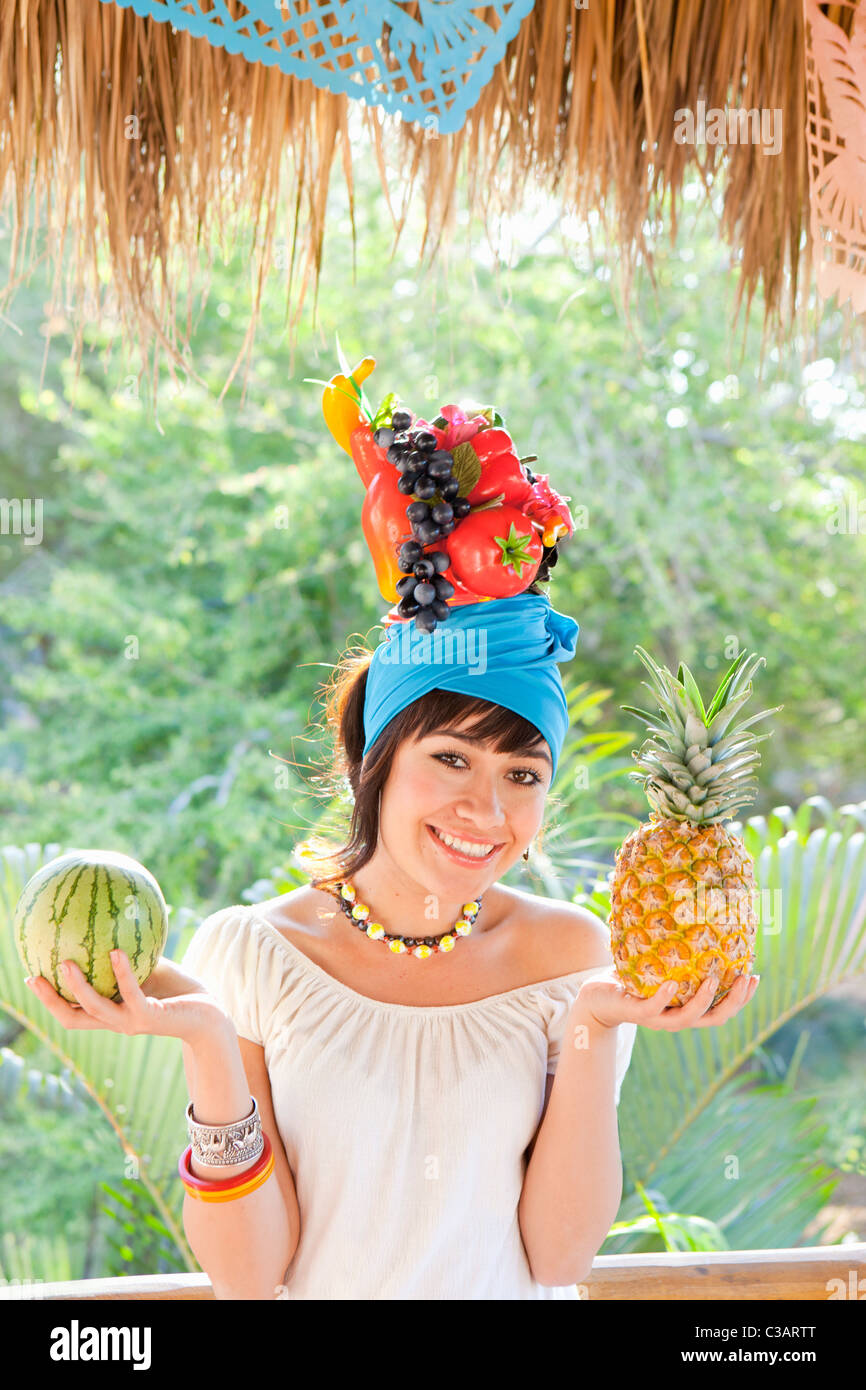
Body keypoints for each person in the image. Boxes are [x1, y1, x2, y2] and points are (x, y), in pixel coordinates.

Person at [25, 381, 759, 1300]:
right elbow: (251, 1278)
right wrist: (209, 1040)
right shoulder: (253, 954)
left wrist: (590, 1024)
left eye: (523, 774)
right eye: (451, 759)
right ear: (378, 753)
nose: (486, 810)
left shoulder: (574, 959)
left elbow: (559, 1260)